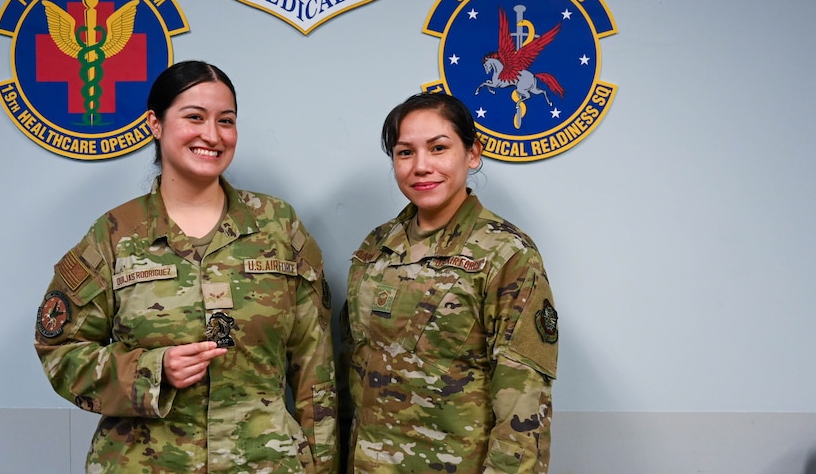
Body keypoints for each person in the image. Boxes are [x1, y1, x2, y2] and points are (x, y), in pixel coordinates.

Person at [35, 60, 337, 473]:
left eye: (226, 121)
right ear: (155, 124)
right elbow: (60, 350)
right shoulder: (115, 234)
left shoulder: (278, 225)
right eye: (194, 117)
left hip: (264, 462)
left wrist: (321, 465)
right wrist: (152, 370)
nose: (212, 135)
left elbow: (315, 365)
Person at [340, 92, 557, 473]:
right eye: (405, 153)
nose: (421, 166)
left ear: (472, 153)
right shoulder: (375, 247)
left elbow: (523, 403)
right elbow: (354, 367)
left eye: (438, 148)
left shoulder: (506, 254)